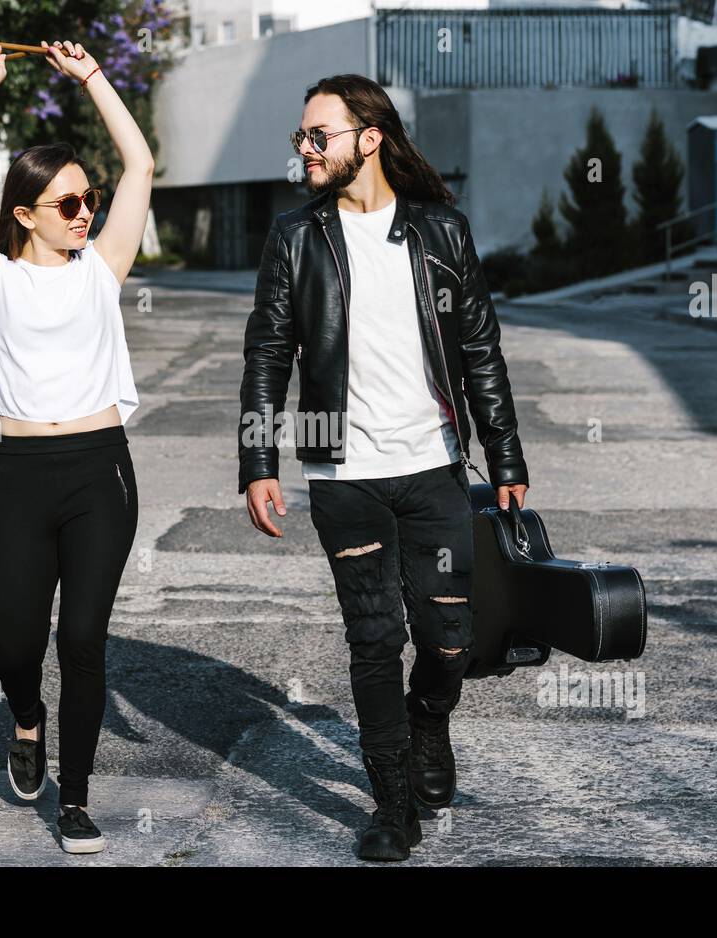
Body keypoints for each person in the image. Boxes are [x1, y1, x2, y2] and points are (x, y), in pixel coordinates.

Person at [238, 74, 531, 862]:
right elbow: (268, 354)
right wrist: (257, 460)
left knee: (446, 637)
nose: (305, 148)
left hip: (434, 466)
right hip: (343, 474)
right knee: (373, 640)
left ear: (368, 139)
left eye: (318, 135)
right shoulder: (296, 238)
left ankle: (429, 718)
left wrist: (504, 452)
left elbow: (480, 352)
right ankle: (393, 807)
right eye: (301, 136)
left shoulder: (441, 231)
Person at [0, 38, 153, 854]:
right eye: (66, 204)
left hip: (101, 472)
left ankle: (77, 800)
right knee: (18, 648)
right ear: (25, 214)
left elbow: (141, 166)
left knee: (83, 640)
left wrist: (91, 77)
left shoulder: (103, 268)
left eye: (86, 199)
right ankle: (27, 717)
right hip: (22, 475)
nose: (85, 212)